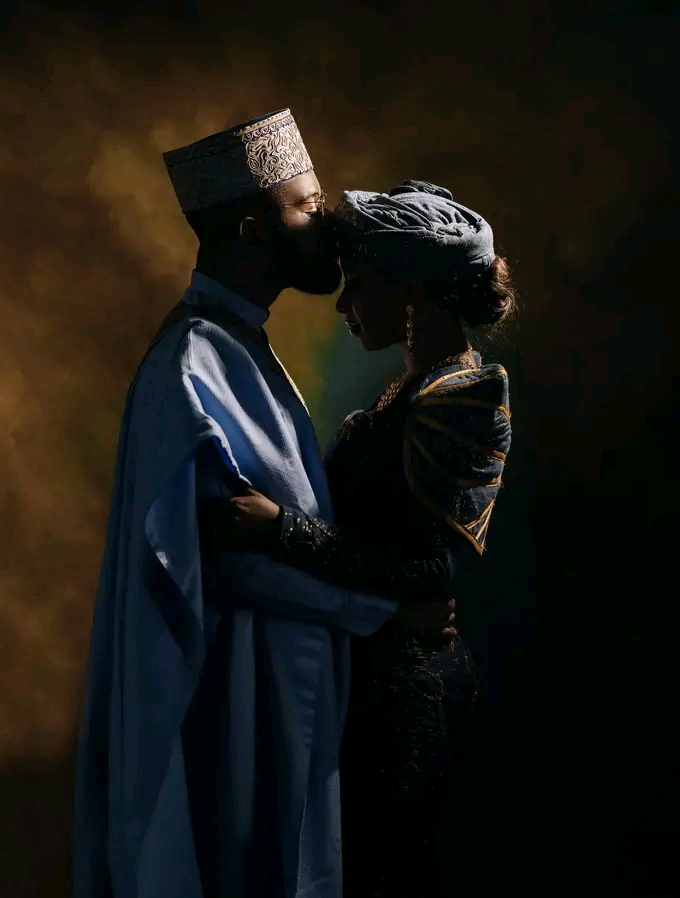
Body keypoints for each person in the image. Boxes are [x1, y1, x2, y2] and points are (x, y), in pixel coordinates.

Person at [71, 111, 437, 898]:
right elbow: (219, 562)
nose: (326, 224)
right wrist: (377, 609)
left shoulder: (237, 343)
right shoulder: (192, 363)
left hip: (280, 690)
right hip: (236, 699)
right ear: (251, 228)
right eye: (306, 206)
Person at [217, 180, 516, 897]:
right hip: (373, 675)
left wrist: (281, 529)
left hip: (408, 692)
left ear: (409, 292)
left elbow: (423, 572)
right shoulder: (411, 390)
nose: (343, 303)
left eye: (358, 284)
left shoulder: (460, 399)